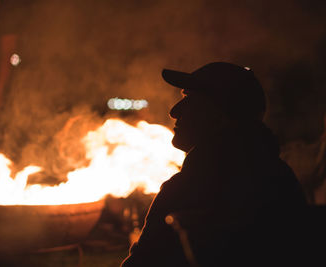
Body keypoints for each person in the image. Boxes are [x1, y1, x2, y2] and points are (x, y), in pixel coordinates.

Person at [121, 62, 308, 267]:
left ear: (220, 116)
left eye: (189, 100)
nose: (174, 111)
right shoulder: (280, 177)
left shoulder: (187, 189)